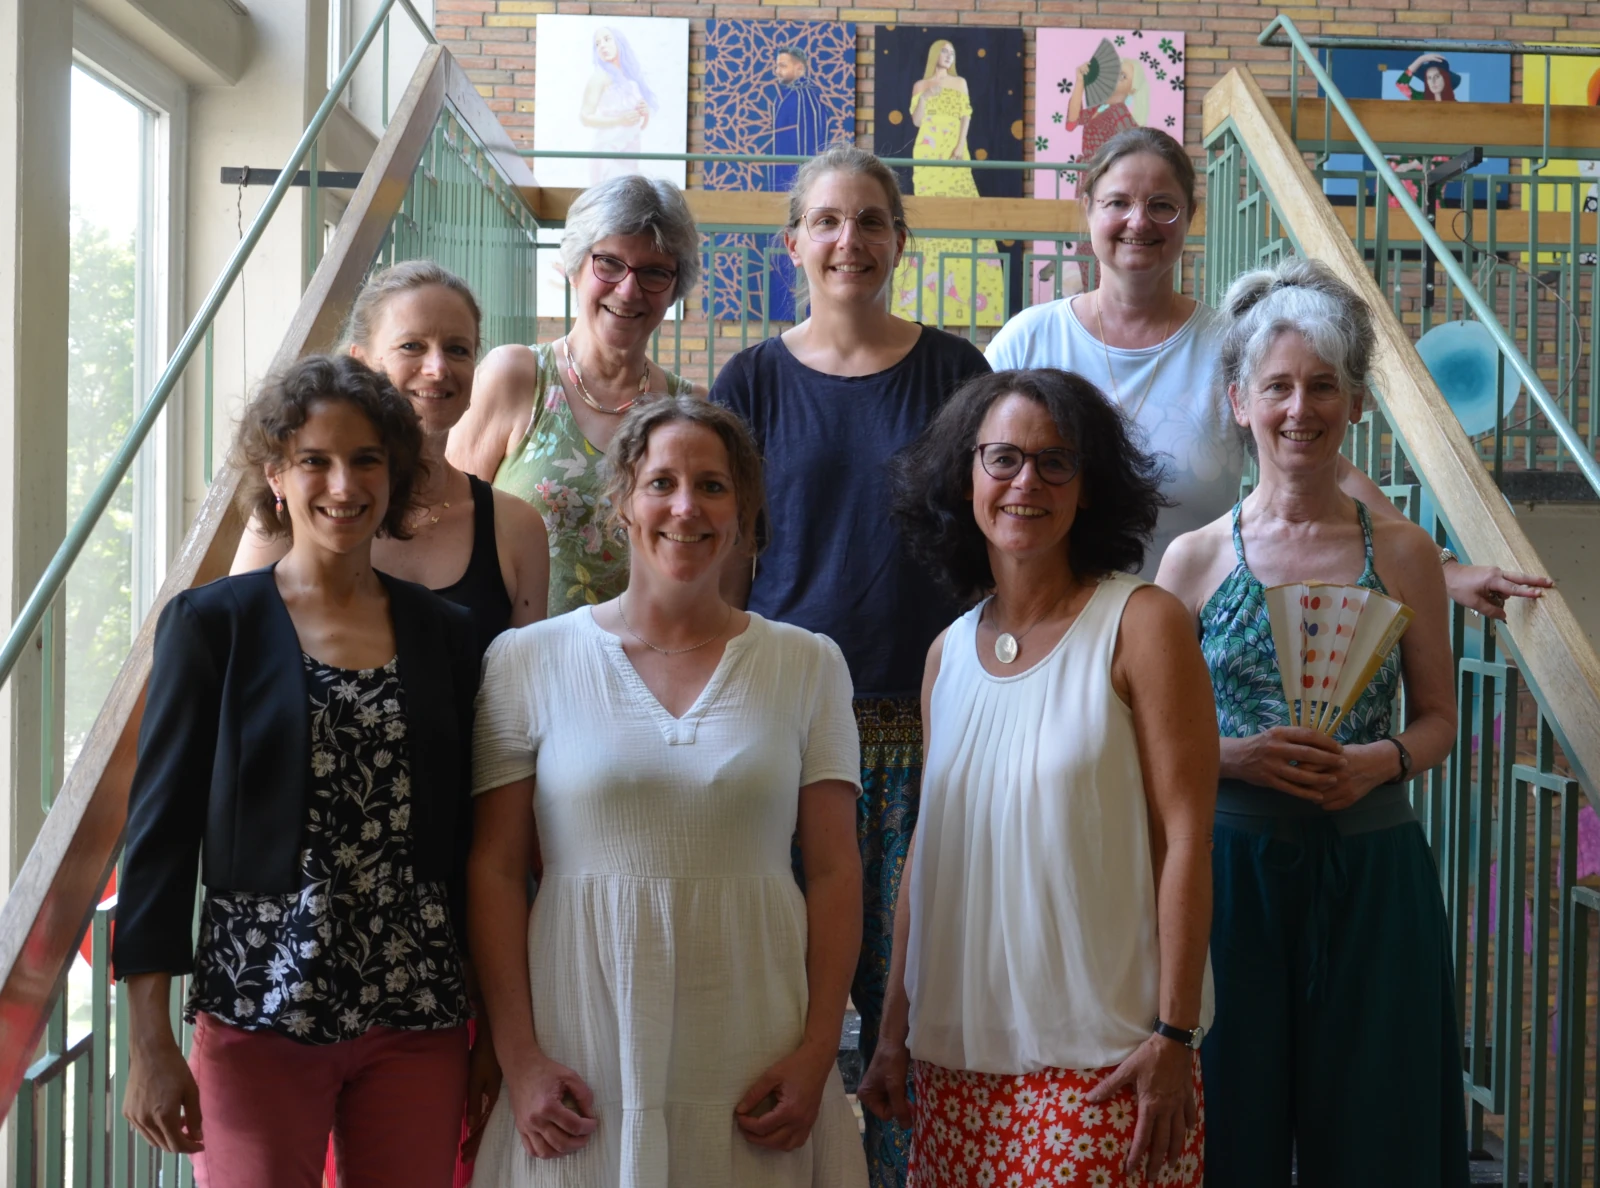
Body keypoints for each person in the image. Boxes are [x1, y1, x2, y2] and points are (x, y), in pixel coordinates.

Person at [467, 396, 869, 1188]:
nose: (686, 508)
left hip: (755, 1034)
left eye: (712, 486)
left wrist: (819, 1050)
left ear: (743, 512)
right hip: (583, 1036)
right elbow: (496, 870)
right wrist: (520, 1057)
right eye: (661, 483)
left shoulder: (809, 663)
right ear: (622, 501)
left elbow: (834, 871)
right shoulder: (525, 660)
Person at [116, 355, 485, 1188]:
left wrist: (492, 1028)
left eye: (365, 460)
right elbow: (160, 838)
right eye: (314, 460)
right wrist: (149, 1042)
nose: (342, 485)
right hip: (259, 1010)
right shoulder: (212, 625)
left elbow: (470, 841)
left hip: (417, 1012)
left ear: (394, 475)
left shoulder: (447, 634)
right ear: (276, 475)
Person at [710, 145, 992, 1188]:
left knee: (914, 1006)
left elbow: (992, 535)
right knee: (778, 997)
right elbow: (725, 552)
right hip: (786, 733)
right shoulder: (750, 379)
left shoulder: (956, 373)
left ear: (899, 241)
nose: (849, 240)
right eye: (827, 221)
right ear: (793, 243)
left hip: (931, 729)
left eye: (871, 220)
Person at [860, 368, 1217, 1188]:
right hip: (951, 1064)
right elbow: (927, 855)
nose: (1028, 482)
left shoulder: (1142, 623)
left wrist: (1176, 1032)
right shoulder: (946, 654)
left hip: (1107, 1062)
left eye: (1057, 462)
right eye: (1004, 459)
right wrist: (891, 1034)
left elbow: (1186, 841)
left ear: (1089, 489)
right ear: (966, 478)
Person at [1156, 258, 1469, 1185]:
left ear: (1356, 403)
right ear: (1239, 403)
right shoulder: (1193, 560)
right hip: (1227, 874)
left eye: (1324, 386)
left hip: (1371, 867)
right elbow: (1153, 743)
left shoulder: (1405, 553)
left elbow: (1440, 720)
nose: (1302, 409)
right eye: (1278, 387)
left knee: (1380, 1132)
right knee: (1227, 1125)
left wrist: (1381, 760)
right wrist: (1237, 756)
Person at [986, 125, 1552, 620]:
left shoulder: (1232, 347)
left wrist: (1442, 569)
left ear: (1190, 217)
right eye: (1118, 202)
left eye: (1162, 204)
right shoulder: (1028, 341)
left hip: (1182, 639)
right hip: (1045, 624)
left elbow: (1322, 466)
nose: (1139, 221)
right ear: (1088, 206)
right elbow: (973, 481)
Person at [234, 260, 549, 659]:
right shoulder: (299, 511)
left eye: (457, 349)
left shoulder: (517, 527)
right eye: (411, 346)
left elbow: (526, 688)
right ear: (359, 362)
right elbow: (238, 657)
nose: (437, 369)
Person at [449, 175, 702, 617]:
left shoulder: (691, 410)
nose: (628, 290)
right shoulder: (516, 378)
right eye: (609, 263)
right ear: (575, 268)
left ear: (674, 288)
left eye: (654, 272)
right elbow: (449, 520)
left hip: (645, 654)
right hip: (517, 650)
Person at [891, 39, 1006, 327]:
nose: (948, 56)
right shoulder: (921, 85)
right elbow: (917, 121)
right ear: (934, 54)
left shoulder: (960, 82)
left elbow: (965, 116)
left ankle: (968, 285)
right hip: (927, 148)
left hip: (953, 147)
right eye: (944, 51)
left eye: (952, 53)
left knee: (962, 204)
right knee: (930, 210)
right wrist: (926, 96)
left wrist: (959, 146)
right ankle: (925, 289)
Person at [581, 26, 657, 184]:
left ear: (619, 42)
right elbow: (585, 117)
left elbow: (640, 126)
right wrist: (619, 120)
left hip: (631, 154)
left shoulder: (632, 79)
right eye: (597, 43)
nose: (602, 46)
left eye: (607, 39)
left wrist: (645, 113)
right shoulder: (599, 78)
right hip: (608, 152)